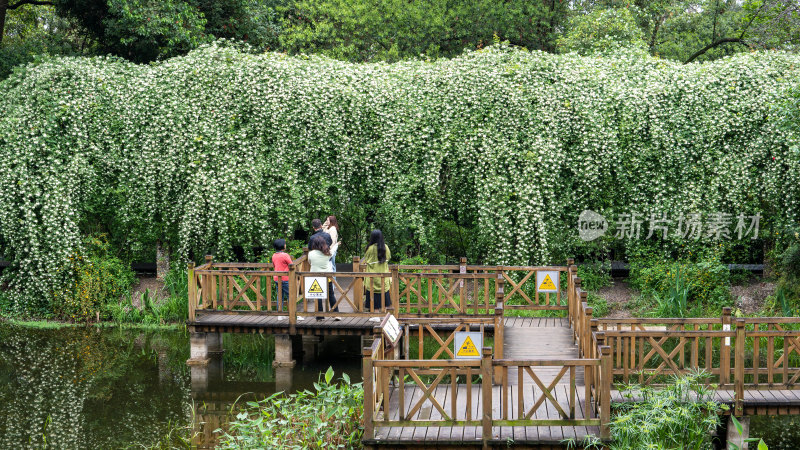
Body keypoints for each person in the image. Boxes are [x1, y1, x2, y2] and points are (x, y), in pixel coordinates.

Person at [308, 235, 340, 320]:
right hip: (327, 277)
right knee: (331, 295)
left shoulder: (310, 254)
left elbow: (310, 262)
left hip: (315, 277)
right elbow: (333, 250)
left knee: (318, 296)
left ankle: (320, 316)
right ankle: (336, 313)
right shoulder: (327, 253)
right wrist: (336, 244)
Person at [362, 229, 392, 311]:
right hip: (383, 277)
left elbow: (367, 259)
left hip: (372, 278)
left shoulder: (370, 248)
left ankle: (375, 314)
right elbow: (388, 257)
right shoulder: (385, 247)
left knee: (373, 295)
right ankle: (384, 314)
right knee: (384, 294)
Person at [271, 239, 292, 310]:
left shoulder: (274, 255)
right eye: (285, 244)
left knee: (280, 296)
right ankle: (294, 314)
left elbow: (274, 265)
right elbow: (291, 265)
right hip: (285, 278)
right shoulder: (285, 255)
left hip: (277, 278)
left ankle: (280, 314)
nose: (285, 245)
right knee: (291, 295)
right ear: (282, 246)